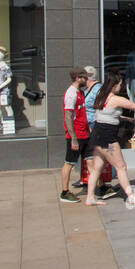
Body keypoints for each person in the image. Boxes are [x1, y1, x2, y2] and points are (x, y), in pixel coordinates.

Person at [85, 69, 135, 209]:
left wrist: (125, 118)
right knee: (121, 166)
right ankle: (131, 196)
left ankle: (90, 197)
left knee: (97, 169)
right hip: (108, 139)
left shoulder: (101, 96)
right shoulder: (116, 99)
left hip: (97, 136)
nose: (121, 87)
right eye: (120, 84)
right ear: (115, 85)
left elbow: (106, 115)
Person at [60, 69, 90, 203]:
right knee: (69, 163)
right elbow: (68, 117)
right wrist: (73, 138)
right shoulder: (71, 94)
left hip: (84, 134)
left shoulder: (80, 92)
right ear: (78, 78)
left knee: (91, 159)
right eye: (85, 77)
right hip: (76, 135)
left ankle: (100, 186)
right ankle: (64, 192)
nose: (87, 80)